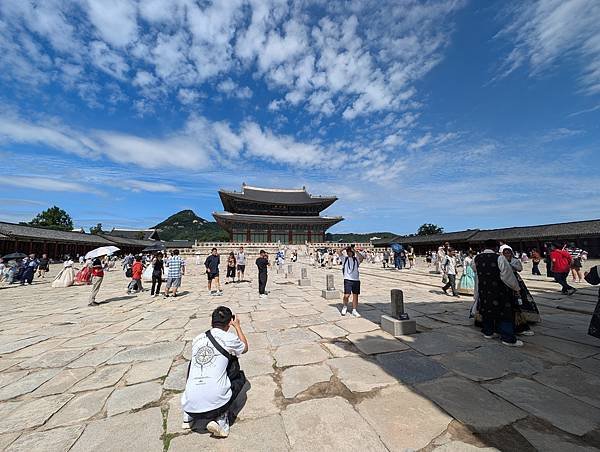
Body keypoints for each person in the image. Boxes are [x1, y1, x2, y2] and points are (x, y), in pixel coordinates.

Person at [181, 306, 248, 438]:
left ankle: (188, 418)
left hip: (189, 405)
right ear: (229, 322)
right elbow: (244, 348)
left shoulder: (197, 339)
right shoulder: (228, 338)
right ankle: (222, 419)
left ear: (211, 322)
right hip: (216, 405)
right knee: (238, 374)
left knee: (195, 364)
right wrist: (238, 326)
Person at [472, 239, 523, 347]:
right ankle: (507, 338)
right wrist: (516, 287)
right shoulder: (499, 258)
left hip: (483, 289)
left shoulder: (476, 258)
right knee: (504, 312)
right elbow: (507, 275)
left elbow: (475, 270)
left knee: (487, 309)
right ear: (495, 248)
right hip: (498, 290)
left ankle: (488, 332)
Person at [500, 245, 539, 336]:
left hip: (515, 278)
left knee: (522, 297)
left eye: (508, 253)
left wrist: (511, 264)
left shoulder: (515, 260)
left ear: (511, 253)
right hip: (505, 279)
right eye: (505, 253)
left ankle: (527, 316)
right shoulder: (501, 260)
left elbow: (520, 269)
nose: (507, 254)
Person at [339, 246, 364, 317]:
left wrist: (355, 251)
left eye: (350, 251)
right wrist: (346, 247)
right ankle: (345, 306)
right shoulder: (345, 259)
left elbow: (362, 258)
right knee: (347, 295)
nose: (349, 253)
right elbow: (339, 252)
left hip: (356, 279)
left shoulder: (356, 259)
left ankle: (354, 310)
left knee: (355, 295)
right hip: (347, 279)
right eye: (348, 252)